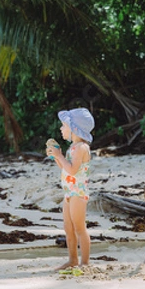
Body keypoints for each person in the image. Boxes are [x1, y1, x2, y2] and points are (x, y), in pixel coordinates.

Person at [46, 108, 94, 270]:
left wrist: (60, 156)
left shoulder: (81, 148)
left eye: (63, 125)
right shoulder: (73, 147)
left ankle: (85, 263)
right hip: (69, 192)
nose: (61, 129)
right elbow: (66, 168)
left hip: (78, 193)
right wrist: (56, 157)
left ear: (74, 128)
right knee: (68, 227)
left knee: (79, 227)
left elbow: (73, 170)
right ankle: (73, 259)